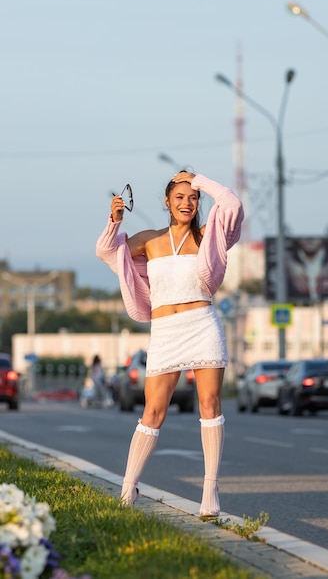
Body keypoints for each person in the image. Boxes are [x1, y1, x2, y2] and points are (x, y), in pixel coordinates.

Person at [96, 170, 244, 516]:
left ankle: (210, 494)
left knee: (209, 404)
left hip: (202, 324)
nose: (187, 203)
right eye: (179, 197)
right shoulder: (149, 240)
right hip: (165, 332)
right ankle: (127, 489)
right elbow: (106, 251)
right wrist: (114, 220)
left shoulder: (209, 235)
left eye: (192, 198)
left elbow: (232, 203)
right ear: (167, 202)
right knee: (152, 412)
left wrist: (197, 179)